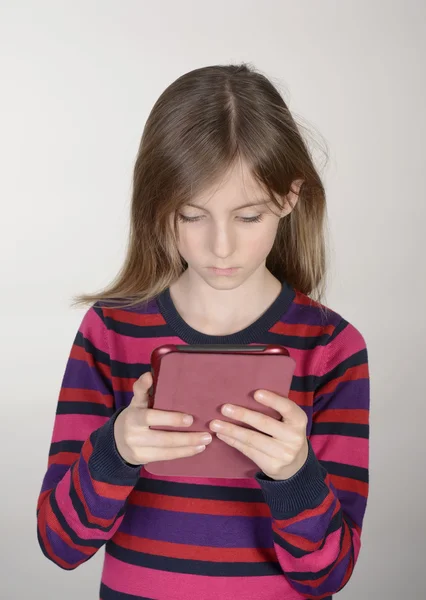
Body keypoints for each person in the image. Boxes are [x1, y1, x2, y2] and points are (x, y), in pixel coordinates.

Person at [36, 63, 370, 600]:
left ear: (289, 198)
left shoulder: (331, 348)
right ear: (158, 208)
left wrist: (295, 474)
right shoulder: (110, 332)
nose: (221, 248)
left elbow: (327, 575)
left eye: (248, 216)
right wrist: (115, 450)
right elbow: (60, 543)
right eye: (192, 216)